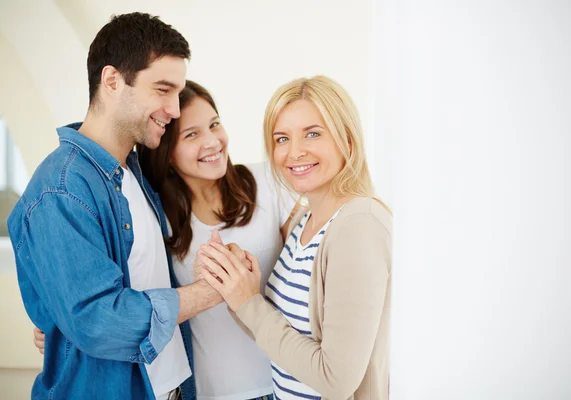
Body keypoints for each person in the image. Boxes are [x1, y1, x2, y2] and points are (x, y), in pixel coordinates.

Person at [8, 13, 222, 400]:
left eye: (178, 92)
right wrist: (213, 291)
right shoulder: (61, 190)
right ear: (111, 81)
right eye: (162, 89)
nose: (174, 109)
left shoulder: (134, 171)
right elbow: (99, 321)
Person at [197, 75, 392, 399]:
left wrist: (249, 302)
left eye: (312, 134)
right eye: (281, 139)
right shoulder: (305, 218)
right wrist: (237, 289)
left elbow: (336, 379)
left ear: (347, 139)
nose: (295, 152)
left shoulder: (359, 225)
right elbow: (280, 338)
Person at [138, 80, 296, 400]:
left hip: (290, 384)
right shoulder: (157, 218)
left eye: (214, 124)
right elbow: (129, 296)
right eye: (192, 134)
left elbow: (311, 265)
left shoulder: (269, 182)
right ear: (167, 153)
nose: (212, 141)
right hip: (213, 393)